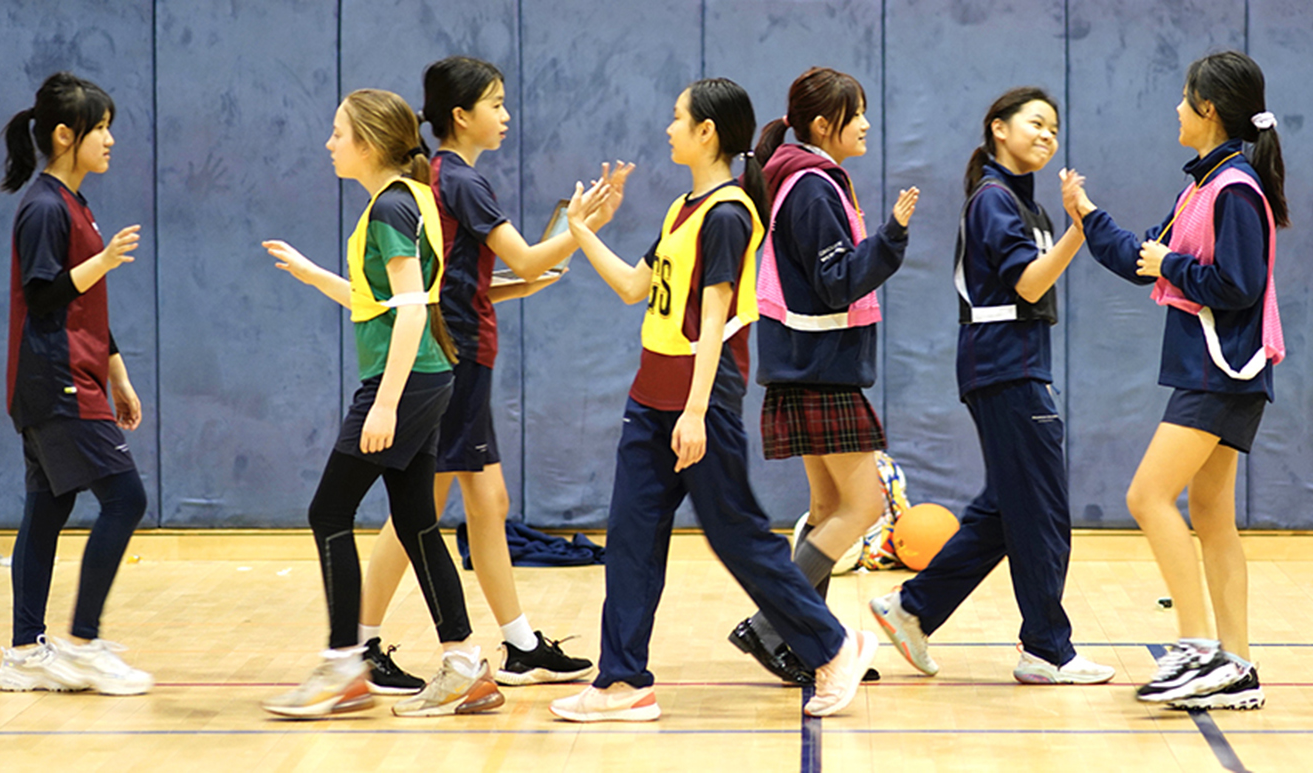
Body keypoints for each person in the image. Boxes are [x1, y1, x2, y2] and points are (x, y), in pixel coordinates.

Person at [548, 78, 876, 723]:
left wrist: (695, 411)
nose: (668, 127)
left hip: (700, 402)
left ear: (707, 132)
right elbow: (633, 287)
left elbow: (716, 315)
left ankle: (835, 647)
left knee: (741, 540)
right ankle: (621, 682)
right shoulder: (683, 209)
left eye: (677, 118)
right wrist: (584, 232)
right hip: (651, 398)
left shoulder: (729, 213)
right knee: (632, 537)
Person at [357, 56, 622, 693]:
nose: (506, 116)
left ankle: (521, 644)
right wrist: (582, 229)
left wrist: (500, 292)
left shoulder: (441, 176)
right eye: (496, 104)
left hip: (464, 350)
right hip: (454, 361)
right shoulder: (462, 181)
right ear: (461, 115)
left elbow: (459, 280)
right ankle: (356, 644)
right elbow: (529, 257)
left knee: (490, 502)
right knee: (419, 507)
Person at [260, 89, 501, 718]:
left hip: (406, 381)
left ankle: (345, 663)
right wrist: (315, 275)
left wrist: (386, 403)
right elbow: (385, 302)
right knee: (418, 519)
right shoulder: (403, 200)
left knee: (329, 511)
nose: (330, 143)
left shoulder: (393, 207)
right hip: (424, 377)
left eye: (338, 133)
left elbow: (414, 307)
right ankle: (465, 664)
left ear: (367, 142)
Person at [869, 87, 1115, 686]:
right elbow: (1029, 286)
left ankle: (914, 608)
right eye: (1035, 123)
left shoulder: (1023, 205)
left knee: (1009, 510)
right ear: (998, 129)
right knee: (1043, 512)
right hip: (1005, 367)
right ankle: (1047, 649)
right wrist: (1080, 230)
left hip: (1015, 364)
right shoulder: (994, 201)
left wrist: (1068, 229)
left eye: (1054, 128)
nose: (1047, 135)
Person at [1064, 51, 1287, 710]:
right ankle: (1238, 664)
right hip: (1216, 372)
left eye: (1183, 99)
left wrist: (1175, 264)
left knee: (1147, 495)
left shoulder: (1236, 189)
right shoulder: (1202, 185)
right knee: (1214, 519)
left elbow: (1239, 287)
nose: (1176, 109)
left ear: (1207, 109)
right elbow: (1144, 261)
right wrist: (1087, 214)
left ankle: (1195, 646)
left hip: (1221, 372)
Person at [728, 66, 917, 685]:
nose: (865, 124)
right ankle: (769, 625)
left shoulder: (794, 176)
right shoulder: (811, 185)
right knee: (862, 508)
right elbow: (837, 282)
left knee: (828, 506)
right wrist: (891, 237)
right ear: (820, 124)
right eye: (854, 113)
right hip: (821, 369)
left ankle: (817, 643)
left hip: (803, 365)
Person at [0, 72, 153, 697]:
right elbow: (42, 297)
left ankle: (25, 653)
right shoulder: (42, 207)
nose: (111, 140)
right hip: (54, 383)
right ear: (66, 136)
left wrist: (120, 376)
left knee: (46, 512)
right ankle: (82, 643)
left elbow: (87, 310)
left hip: (76, 376)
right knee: (126, 498)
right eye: (101, 128)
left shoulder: (75, 203)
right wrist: (103, 260)